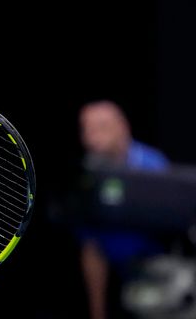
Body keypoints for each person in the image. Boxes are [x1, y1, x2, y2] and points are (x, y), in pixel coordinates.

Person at [77, 100, 170, 319]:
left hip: (163, 278)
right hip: (120, 283)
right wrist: (98, 312)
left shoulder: (154, 167)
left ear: (122, 126)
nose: (91, 136)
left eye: (100, 127)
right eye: (86, 129)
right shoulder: (87, 180)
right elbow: (92, 249)